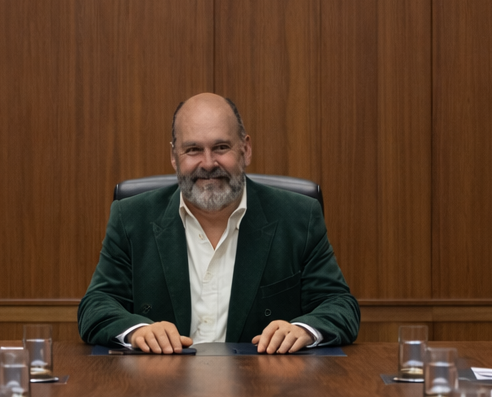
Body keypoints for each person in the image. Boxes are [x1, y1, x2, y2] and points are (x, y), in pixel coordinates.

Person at [77, 94, 359, 353]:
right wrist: (138, 331)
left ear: (245, 149)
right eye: (193, 150)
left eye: (221, 147)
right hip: (159, 392)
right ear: (174, 156)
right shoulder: (131, 218)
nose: (209, 163)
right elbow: (96, 305)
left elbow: (340, 305)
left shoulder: (299, 217)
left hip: (265, 392)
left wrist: (303, 330)